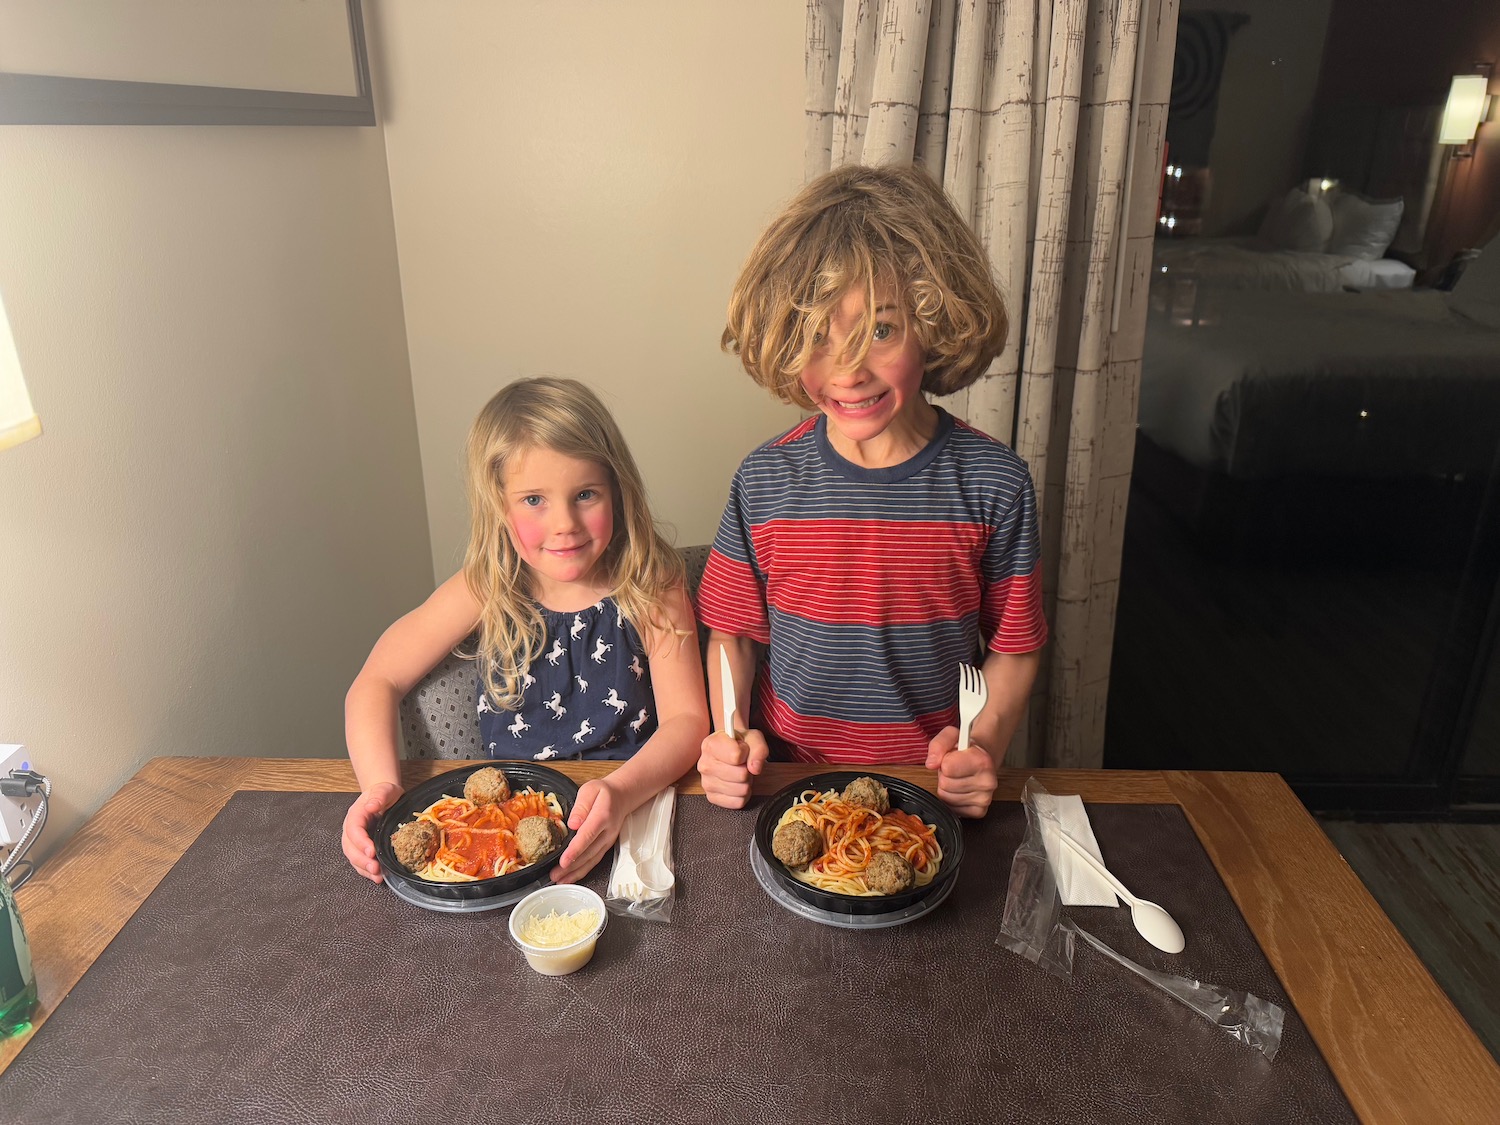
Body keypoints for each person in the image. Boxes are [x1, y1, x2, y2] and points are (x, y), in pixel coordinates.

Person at [695, 163, 1048, 818]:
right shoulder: (764, 480)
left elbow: (1015, 646)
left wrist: (987, 740)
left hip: (925, 791)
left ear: (935, 321)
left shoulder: (996, 483)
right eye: (818, 335)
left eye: (881, 329)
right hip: (785, 787)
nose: (849, 370)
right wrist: (728, 731)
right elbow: (733, 634)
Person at [341, 377, 707, 883]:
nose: (565, 524)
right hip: (504, 841)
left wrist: (621, 792)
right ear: (499, 504)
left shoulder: (649, 578)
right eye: (534, 499)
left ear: (617, 491)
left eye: (585, 494)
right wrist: (379, 786)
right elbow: (377, 681)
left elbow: (688, 720)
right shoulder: (487, 586)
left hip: (636, 821)